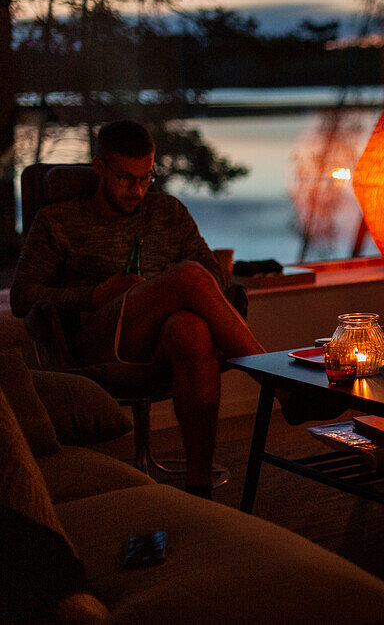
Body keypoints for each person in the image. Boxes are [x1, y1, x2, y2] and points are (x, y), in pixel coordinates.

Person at [10, 120, 264, 498]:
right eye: (126, 178)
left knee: (190, 330)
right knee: (190, 278)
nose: (138, 190)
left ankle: (198, 485)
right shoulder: (58, 221)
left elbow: (214, 272)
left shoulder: (168, 212)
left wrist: (164, 292)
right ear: (99, 168)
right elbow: (23, 297)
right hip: (94, 338)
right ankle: (276, 380)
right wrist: (96, 295)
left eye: (147, 177)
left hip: (156, 334)